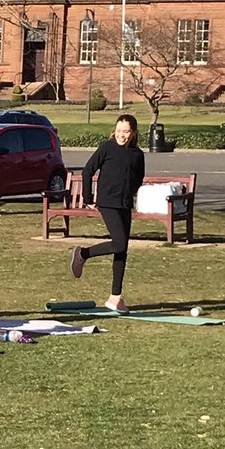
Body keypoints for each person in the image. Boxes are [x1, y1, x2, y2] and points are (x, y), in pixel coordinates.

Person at [69, 113, 145, 313]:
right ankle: (82, 253)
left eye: (126, 132)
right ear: (114, 130)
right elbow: (88, 171)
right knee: (118, 242)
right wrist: (88, 197)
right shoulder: (107, 148)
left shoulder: (137, 154)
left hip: (125, 203)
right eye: (119, 131)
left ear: (133, 132)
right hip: (107, 202)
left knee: (122, 250)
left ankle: (115, 297)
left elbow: (138, 178)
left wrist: (131, 194)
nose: (122, 135)